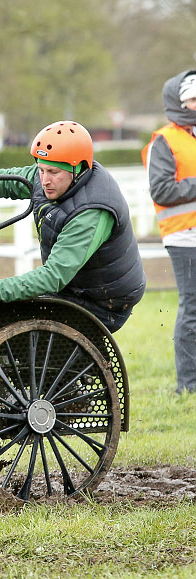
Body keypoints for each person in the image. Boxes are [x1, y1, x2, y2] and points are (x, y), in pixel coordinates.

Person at [0, 121, 146, 332]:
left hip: (103, 303)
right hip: (72, 289)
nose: (44, 180)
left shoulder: (92, 213)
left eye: (53, 172)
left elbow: (53, 276)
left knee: (9, 321)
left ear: (78, 169)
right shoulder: (48, 176)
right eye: (41, 170)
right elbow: (8, 181)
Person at [143, 70, 196, 392]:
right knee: (193, 309)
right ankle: (188, 387)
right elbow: (161, 190)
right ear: (177, 101)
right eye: (192, 99)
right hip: (184, 237)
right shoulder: (164, 140)